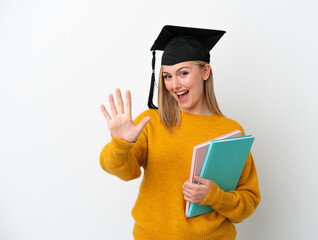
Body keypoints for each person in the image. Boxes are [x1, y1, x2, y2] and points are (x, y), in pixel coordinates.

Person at [99, 25, 261, 240]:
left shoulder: (230, 130)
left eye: (183, 73)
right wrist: (121, 142)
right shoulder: (152, 121)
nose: (174, 85)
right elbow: (123, 172)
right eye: (167, 76)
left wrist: (214, 196)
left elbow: (247, 202)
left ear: (205, 72)